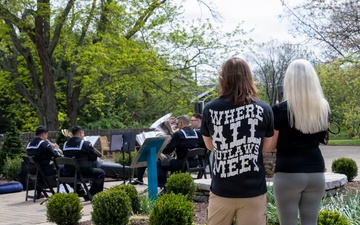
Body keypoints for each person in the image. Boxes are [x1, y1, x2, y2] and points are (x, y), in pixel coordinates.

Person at [200, 57, 274, 225]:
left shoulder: (210, 109)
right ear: (249, 77)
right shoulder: (264, 109)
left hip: (222, 189)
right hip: (254, 190)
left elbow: (210, 145)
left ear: (223, 79)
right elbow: (267, 147)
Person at [268, 59, 330, 225]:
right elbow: (323, 139)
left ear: (289, 81)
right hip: (316, 172)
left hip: (288, 172)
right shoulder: (323, 107)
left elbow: (269, 147)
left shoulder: (279, 110)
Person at [157, 115, 200, 191]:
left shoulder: (178, 134)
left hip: (182, 163)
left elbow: (168, 150)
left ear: (181, 123)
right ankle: (173, 184)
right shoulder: (195, 133)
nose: (177, 125)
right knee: (172, 162)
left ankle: (164, 187)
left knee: (159, 164)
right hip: (194, 162)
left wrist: (160, 148)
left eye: (177, 123)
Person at [62, 125, 105, 200]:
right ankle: (91, 194)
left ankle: (80, 191)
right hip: (81, 172)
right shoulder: (84, 144)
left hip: (68, 172)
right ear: (80, 133)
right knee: (100, 173)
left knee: (76, 170)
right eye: (83, 133)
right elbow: (94, 157)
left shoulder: (65, 144)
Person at [26, 125, 61, 198]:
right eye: (46, 134)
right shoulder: (44, 144)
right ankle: (60, 192)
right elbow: (55, 156)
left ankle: (39, 193)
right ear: (43, 134)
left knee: (41, 166)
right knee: (61, 169)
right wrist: (55, 149)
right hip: (43, 171)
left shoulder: (29, 145)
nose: (47, 136)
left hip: (32, 171)